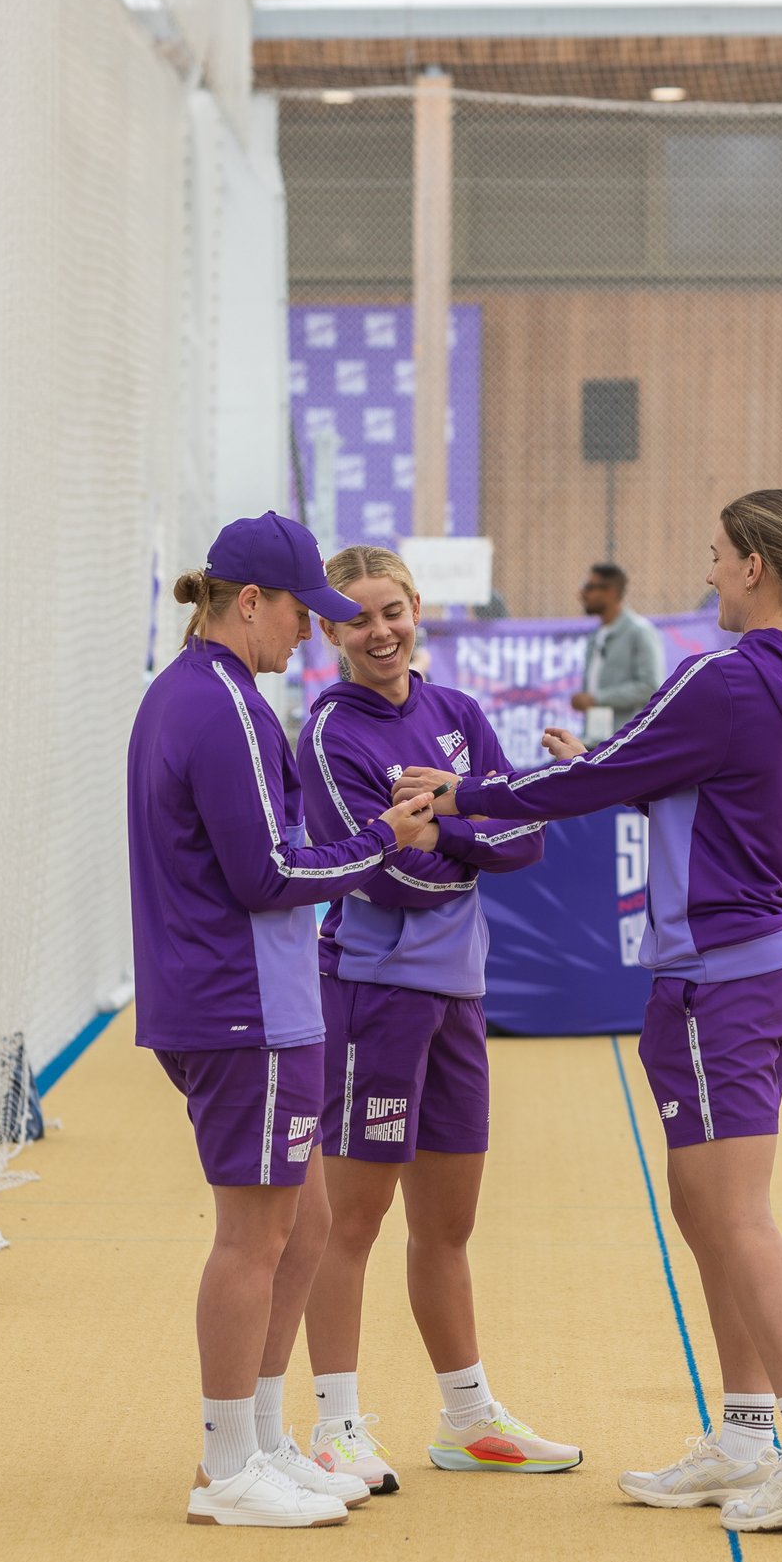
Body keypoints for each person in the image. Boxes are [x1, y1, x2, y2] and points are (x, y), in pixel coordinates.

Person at [395, 489, 782, 1535]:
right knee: (707, 1211)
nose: (706, 574)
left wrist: (467, 794)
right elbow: (682, 779)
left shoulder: (723, 676)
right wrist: (578, 770)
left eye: (713, 556)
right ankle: (748, 1434)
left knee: (734, 1216)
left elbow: (616, 770)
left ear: (753, 563)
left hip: (717, 977)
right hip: (763, 963)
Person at [125, 511, 441, 1529]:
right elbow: (265, 872)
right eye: (304, 610)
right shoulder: (218, 707)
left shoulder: (212, 695)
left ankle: (261, 1437)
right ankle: (227, 1464)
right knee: (255, 1236)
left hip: (254, 998)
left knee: (300, 1224)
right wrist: (384, 842)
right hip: (239, 1004)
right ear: (250, 602)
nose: (313, 629)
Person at [294, 546, 580, 1493]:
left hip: (461, 996)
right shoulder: (332, 729)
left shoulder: (457, 714)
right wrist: (461, 837)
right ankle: (334, 1425)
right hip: (375, 995)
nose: (381, 632)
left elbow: (525, 833)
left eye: (393, 611)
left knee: (449, 1223)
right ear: (330, 632)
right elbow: (386, 873)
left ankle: (467, 1418)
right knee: (354, 1219)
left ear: (419, 609)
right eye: (359, 619)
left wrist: (446, 823)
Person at [571, 561, 666, 740]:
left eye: (589, 587)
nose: (582, 593)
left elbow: (650, 687)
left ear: (610, 592)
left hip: (625, 741)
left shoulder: (640, 632)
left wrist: (596, 699)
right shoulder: (595, 636)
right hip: (594, 739)